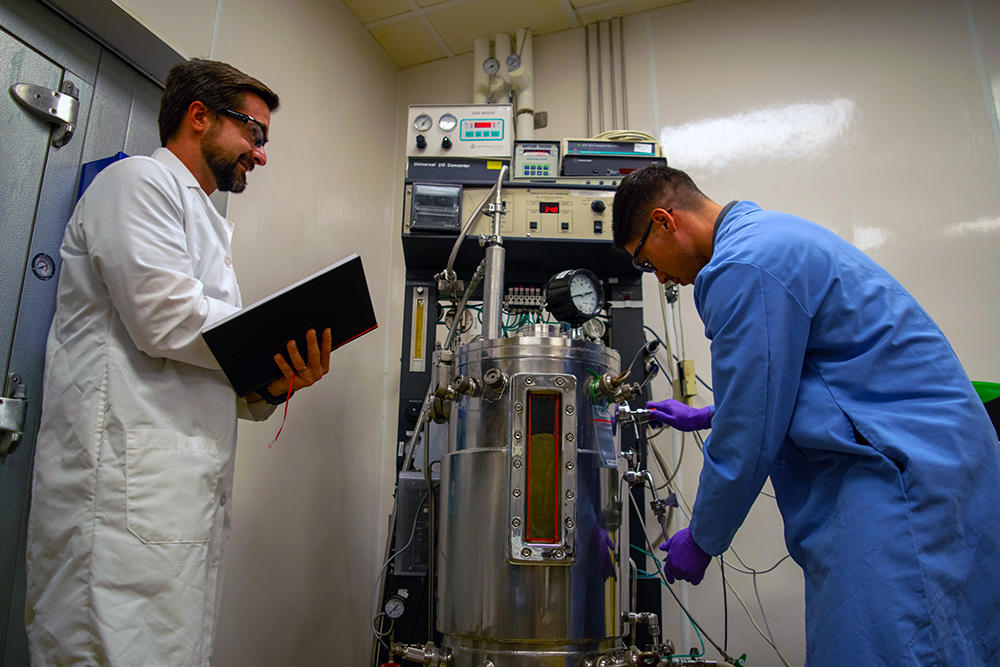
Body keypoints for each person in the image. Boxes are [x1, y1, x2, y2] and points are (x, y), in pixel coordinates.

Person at [611, 165, 1000, 665]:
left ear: (665, 221)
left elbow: (750, 430)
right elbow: (808, 373)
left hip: (900, 476)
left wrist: (704, 538)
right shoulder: (769, 237)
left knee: (887, 647)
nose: (661, 277)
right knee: (948, 640)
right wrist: (708, 414)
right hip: (938, 459)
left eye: (647, 261)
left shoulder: (742, 266)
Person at [25, 59, 333, 666]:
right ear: (200, 117)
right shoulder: (136, 183)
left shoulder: (208, 227)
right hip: (117, 500)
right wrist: (268, 337)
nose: (261, 154)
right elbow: (165, 319)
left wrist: (273, 382)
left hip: (175, 505)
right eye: (254, 133)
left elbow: (214, 372)